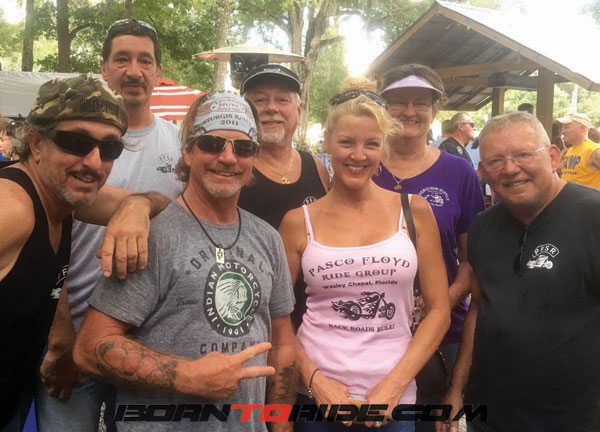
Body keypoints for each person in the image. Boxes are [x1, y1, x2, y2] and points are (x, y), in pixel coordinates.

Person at [73, 91, 296, 432]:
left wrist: (280, 426)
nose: (228, 157)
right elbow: (90, 347)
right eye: (211, 143)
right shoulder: (152, 235)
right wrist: (188, 375)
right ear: (188, 151)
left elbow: (282, 344)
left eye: (243, 147)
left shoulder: (268, 239)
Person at [35, 18, 183, 432]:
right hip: (72, 330)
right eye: (122, 59)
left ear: (157, 71)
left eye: (145, 61)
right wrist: (61, 337)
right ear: (103, 67)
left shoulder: (180, 145)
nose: (134, 71)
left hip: (151, 337)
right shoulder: (72, 143)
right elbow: (46, 235)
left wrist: (139, 205)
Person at [279, 77, 450, 431]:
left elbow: (439, 311)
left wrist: (394, 385)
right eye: (346, 142)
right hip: (318, 402)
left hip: (393, 402)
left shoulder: (414, 211)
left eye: (371, 144)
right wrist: (315, 381)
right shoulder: (298, 221)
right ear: (327, 141)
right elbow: (276, 317)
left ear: (384, 146)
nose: (358, 156)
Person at [0, 74, 165, 431]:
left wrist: (137, 206)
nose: (94, 162)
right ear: (36, 143)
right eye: (76, 142)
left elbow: (167, 207)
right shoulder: (13, 208)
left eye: (110, 149)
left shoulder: (62, 198)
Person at [438, 112, 600, 432]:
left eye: (524, 154)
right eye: (495, 161)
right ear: (482, 171)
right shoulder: (483, 226)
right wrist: (456, 389)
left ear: (553, 156)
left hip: (576, 419)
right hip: (492, 415)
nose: (510, 169)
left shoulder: (593, 217)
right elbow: (478, 311)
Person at [372, 64, 485, 431]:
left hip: (442, 336)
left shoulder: (459, 172)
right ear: (382, 107)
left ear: (436, 108)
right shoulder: (361, 166)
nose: (409, 112)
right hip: (370, 334)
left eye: (420, 102)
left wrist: (437, 307)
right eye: (398, 102)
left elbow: (471, 260)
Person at [238, 63, 330, 331]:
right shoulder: (233, 167)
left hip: (315, 319)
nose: (271, 108)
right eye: (259, 100)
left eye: (282, 99)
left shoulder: (316, 167)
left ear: (298, 110)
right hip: (253, 319)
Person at [556, 112, 600, 188]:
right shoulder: (569, 151)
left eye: (567, 127)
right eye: (562, 128)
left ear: (583, 128)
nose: (563, 131)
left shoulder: (594, 151)